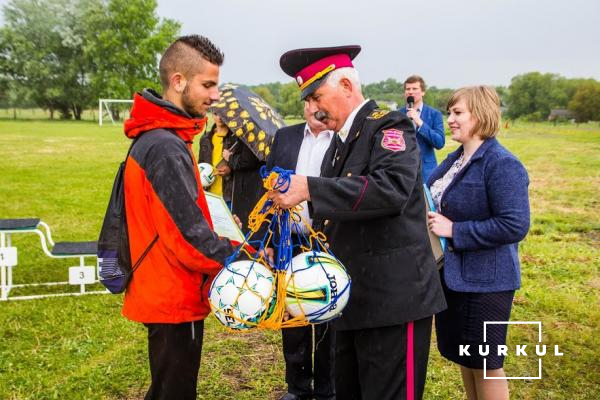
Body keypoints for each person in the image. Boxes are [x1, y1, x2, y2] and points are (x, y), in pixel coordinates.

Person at [271, 45, 447, 400]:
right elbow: (339, 204)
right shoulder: (340, 141)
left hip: (395, 301)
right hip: (352, 298)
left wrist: (308, 187)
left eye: (318, 96)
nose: (314, 109)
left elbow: (391, 188)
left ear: (347, 86)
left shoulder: (390, 125)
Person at [121, 35, 238, 400]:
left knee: (167, 386)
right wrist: (239, 255)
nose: (215, 95)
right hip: (172, 293)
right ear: (178, 81)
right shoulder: (164, 147)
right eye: (208, 84)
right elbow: (187, 239)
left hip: (165, 287)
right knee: (174, 390)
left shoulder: (164, 138)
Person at [427, 86, 530, 400]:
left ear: (481, 114)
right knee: (466, 358)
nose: (450, 120)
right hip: (454, 277)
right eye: (450, 113)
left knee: (486, 364)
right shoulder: (456, 159)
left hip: (488, 282)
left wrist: (454, 230)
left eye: (458, 113)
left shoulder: (502, 164)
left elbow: (514, 225)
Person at [267, 101, 335, 400]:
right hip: (288, 242)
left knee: (328, 316)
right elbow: (268, 190)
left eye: (319, 101)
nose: (314, 108)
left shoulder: (344, 139)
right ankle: (296, 387)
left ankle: (326, 389)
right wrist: (268, 240)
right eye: (308, 101)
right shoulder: (285, 136)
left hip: (329, 241)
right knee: (292, 316)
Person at [399, 75, 445, 182]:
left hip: (426, 172)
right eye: (408, 89)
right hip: (402, 172)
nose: (411, 92)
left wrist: (419, 122)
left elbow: (439, 142)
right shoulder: (396, 115)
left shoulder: (434, 114)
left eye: (415, 89)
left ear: (423, 92)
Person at [198, 113, 234, 207]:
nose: (219, 117)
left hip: (227, 194)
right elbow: (200, 163)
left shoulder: (234, 139)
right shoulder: (205, 139)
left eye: (221, 114)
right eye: (215, 113)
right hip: (208, 193)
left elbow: (240, 164)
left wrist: (230, 169)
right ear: (212, 115)